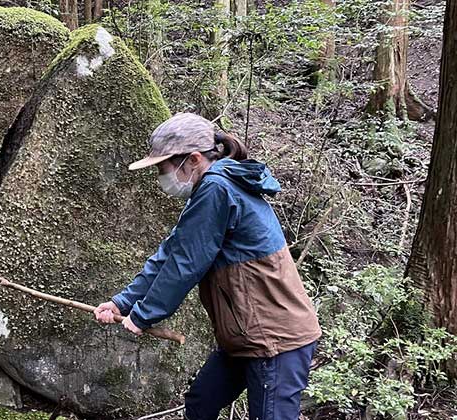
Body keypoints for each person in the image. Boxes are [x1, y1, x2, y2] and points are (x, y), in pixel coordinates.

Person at [93, 112, 322, 420]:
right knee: (201, 403)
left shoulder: (218, 188)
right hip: (245, 336)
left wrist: (143, 316)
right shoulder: (212, 188)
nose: (161, 175)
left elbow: (186, 265)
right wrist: (123, 302)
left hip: (274, 340)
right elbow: (170, 253)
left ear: (194, 159)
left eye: (163, 167)